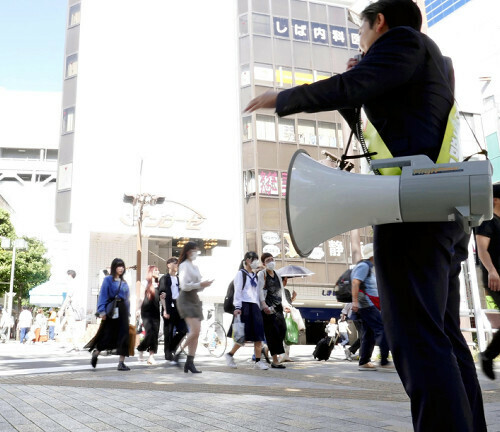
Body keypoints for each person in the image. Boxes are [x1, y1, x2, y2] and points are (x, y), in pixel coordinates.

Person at [245, 1, 486, 429]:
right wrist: (362, 84)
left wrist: (283, 98)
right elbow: (370, 109)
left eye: (362, 31)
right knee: (444, 336)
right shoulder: (430, 62)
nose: (362, 41)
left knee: (418, 341)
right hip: (439, 214)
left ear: (380, 23)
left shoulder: (403, 41)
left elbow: (351, 85)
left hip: (409, 214)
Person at [85, 258, 131, 371]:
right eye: (118, 266)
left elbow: (127, 299)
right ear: (114, 267)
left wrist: (128, 313)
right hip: (112, 309)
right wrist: (102, 311)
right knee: (107, 334)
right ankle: (96, 352)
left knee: (124, 335)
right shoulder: (108, 280)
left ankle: (121, 363)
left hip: (123, 311)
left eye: (122, 266)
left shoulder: (124, 282)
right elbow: (103, 295)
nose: (121, 268)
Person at [351, 244, 392, 371]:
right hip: (366, 304)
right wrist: (355, 302)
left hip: (368, 304)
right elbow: (355, 282)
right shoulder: (364, 266)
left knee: (369, 333)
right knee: (382, 329)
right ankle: (384, 360)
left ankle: (364, 362)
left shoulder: (369, 267)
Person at [225, 251, 269, 370]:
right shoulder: (241, 274)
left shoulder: (256, 275)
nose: (256, 262)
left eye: (256, 259)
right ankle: (230, 355)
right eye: (254, 259)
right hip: (244, 306)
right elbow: (238, 291)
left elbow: (258, 294)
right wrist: (237, 307)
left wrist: (263, 306)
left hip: (255, 307)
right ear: (247, 260)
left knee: (258, 336)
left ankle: (258, 361)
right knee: (241, 336)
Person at [176, 242, 213, 373]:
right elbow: (184, 286)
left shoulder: (195, 267)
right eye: (194, 250)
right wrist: (199, 284)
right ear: (188, 251)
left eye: (197, 250)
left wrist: (204, 284)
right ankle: (179, 353)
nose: (196, 253)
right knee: (195, 331)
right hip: (185, 299)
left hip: (195, 299)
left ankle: (189, 362)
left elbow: (198, 286)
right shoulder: (183, 266)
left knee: (196, 334)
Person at [476, 183, 500, 380]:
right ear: (496, 200)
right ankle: (487, 355)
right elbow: (482, 249)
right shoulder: (487, 221)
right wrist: (492, 271)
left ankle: (488, 355)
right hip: (496, 279)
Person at [258, 253, 291, 369]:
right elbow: (260, 290)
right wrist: (264, 305)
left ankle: (267, 348)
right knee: (272, 333)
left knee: (282, 329)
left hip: (278, 307)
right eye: (268, 260)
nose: (271, 261)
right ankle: (275, 360)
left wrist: (285, 304)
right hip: (267, 308)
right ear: (263, 263)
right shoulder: (262, 274)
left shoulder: (277, 274)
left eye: (272, 259)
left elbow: (281, 291)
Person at [159, 257, 188, 365]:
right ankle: (168, 354)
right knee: (169, 331)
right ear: (168, 265)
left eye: (178, 263)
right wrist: (165, 310)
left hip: (179, 306)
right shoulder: (164, 278)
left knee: (183, 330)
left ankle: (171, 348)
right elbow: (162, 296)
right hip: (169, 306)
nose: (177, 265)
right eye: (175, 263)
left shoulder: (179, 278)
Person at [136, 265, 161, 365]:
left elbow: (161, 299)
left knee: (155, 334)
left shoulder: (159, 284)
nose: (157, 272)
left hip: (156, 311)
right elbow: (141, 297)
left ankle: (151, 357)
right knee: (150, 332)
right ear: (150, 272)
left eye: (158, 270)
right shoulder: (145, 282)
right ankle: (141, 349)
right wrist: (137, 309)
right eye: (155, 270)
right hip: (146, 311)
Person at [59, 270, 85, 351]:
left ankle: (74, 344)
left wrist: (61, 309)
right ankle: (74, 344)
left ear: (70, 275)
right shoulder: (77, 284)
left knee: (71, 327)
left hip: (71, 308)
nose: (66, 277)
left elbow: (68, 297)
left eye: (67, 275)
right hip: (75, 308)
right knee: (69, 326)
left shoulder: (71, 284)